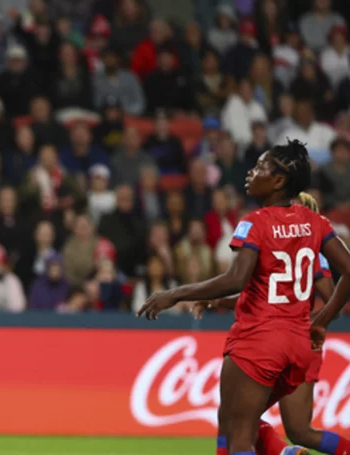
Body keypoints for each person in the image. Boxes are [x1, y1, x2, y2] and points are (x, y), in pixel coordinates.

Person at [137, 140, 350, 455]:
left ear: (278, 182)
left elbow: (235, 279)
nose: (251, 172)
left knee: (238, 437)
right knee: (245, 422)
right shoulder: (316, 223)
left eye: (261, 167)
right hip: (297, 344)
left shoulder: (255, 222)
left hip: (259, 341)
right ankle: (285, 452)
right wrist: (321, 320)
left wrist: (174, 293)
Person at [193, 191, 350, 455]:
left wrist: (315, 320)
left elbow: (322, 293)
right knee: (298, 430)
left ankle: (282, 453)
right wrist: (314, 321)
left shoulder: (292, 243)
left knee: (234, 419)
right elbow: (272, 295)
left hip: (272, 339)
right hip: (300, 341)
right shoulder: (311, 246)